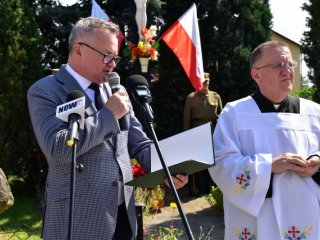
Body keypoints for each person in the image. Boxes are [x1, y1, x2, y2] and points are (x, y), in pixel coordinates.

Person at [27, 17, 187, 240]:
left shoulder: (115, 90)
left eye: (115, 57)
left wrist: (165, 170)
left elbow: (139, 143)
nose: (113, 64)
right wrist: (108, 114)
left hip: (123, 215)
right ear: (78, 50)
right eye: (106, 55)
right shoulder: (45, 91)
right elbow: (58, 150)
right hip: (78, 218)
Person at [209, 40, 320, 240]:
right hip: (257, 220)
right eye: (278, 65)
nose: (287, 70)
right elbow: (221, 164)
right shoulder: (235, 113)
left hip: (308, 215)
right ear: (256, 74)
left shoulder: (314, 112)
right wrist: (268, 166)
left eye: (290, 64)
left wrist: (317, 161)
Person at [183, 72, 223, 196]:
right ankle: (199, 189)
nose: (205, 83)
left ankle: (213, 188)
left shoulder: (216, 97)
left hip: (212, 130)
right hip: (197, 130)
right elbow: (187, 118)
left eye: (207, 81)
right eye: (203, 81)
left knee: (212, 161)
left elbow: (221, 117)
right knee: (199, 162)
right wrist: (187, 136)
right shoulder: (191, 97)